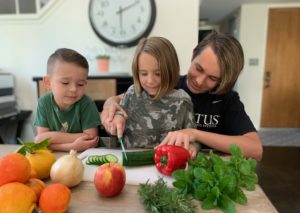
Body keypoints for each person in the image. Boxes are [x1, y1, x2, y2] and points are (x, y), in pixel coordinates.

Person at [101, 31, 263, 161]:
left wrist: (195, 134)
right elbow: (126, 97)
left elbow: (255, 150)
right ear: (193, 55)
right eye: (198, 68)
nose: (199, 81)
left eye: (213, 78)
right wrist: (111, 103)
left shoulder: (227, 100)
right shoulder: (167, 82)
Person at [110, 36, 198, 157]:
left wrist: (194, 146)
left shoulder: (183, 101)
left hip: (167, 164)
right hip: (131, 163)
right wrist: (116, 118)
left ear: (171, 70)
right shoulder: (131, 93)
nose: (150, 80)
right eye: (144, 73)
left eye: (158, 73)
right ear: (137, 72)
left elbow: (194, 138)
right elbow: (117, 123)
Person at [34, 48, 102, 152]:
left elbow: (91, 139)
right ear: (48, 82)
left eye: (80, 84)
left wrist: (50, 138)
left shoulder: (87, 104)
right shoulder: (44, 102)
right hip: (55, 158)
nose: (74, 89)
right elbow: (40, 142)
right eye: (65, 83)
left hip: (83, 157)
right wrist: (72, 146)